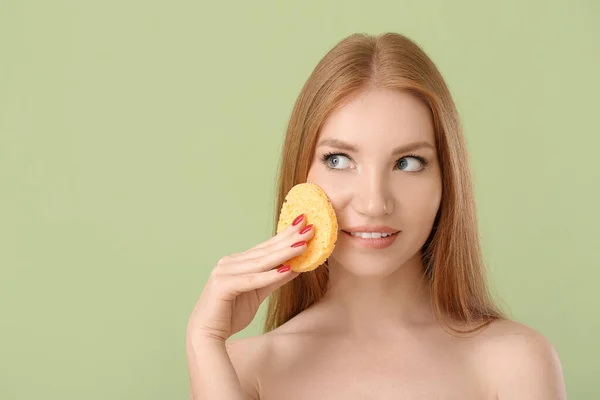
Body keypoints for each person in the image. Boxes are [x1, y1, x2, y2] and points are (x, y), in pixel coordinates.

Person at [185, 32, 567, 399]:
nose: (374, 203)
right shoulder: (242, 371)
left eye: (408, 162)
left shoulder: (516, 364)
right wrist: (203, 339)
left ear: (446, 180)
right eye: (339, 160)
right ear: (301, 176)